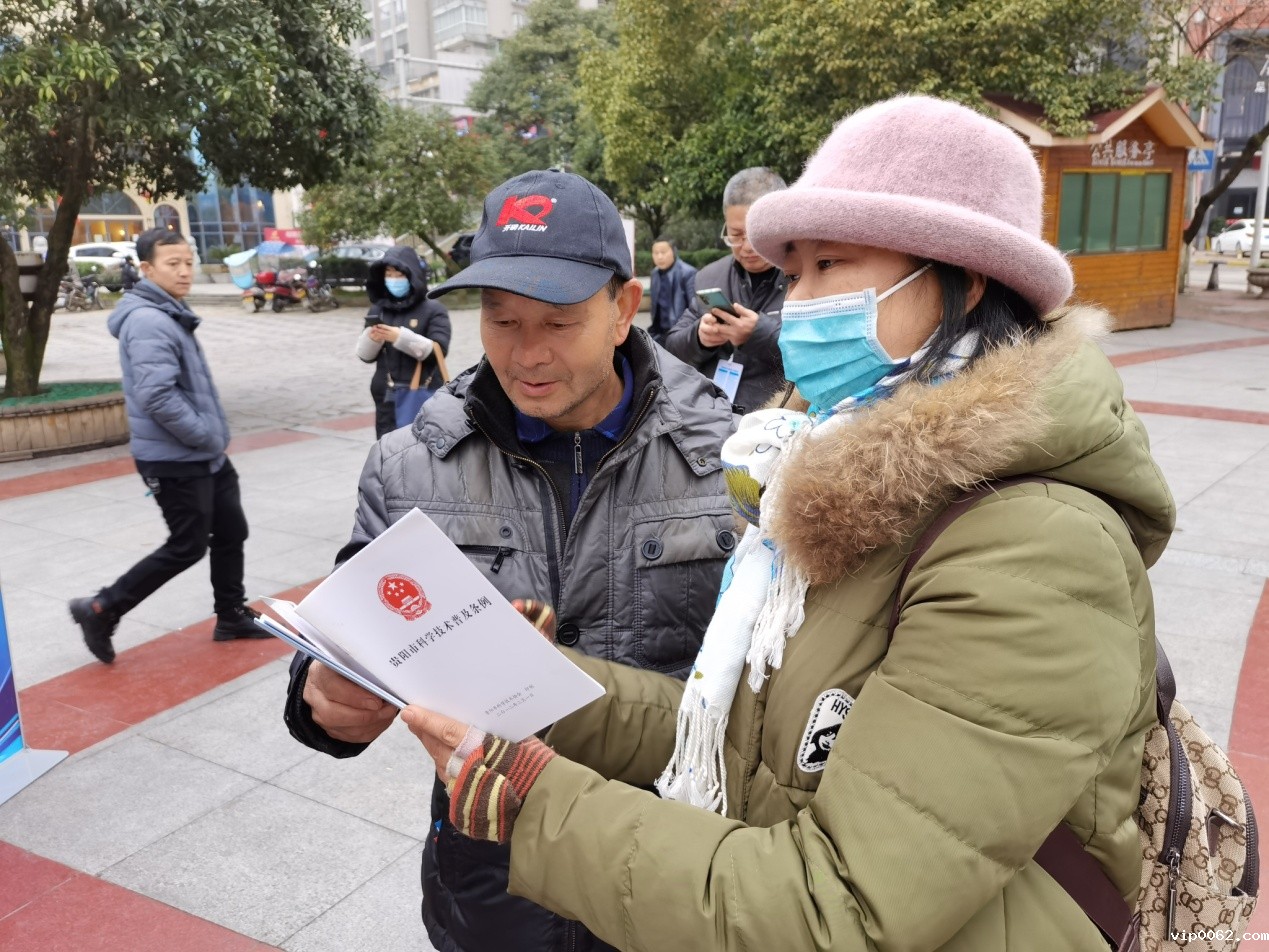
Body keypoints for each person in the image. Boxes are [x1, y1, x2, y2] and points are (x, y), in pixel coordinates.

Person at [400, 96, 1177, 951]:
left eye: (827, 265)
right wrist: (540, 686)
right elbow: (735, 741)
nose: (796, 303)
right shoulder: (834, 479)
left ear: (966, 278)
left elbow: (839, 909)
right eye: (792, 272)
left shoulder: (1031, 549)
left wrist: (534, 801)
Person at [283, 169, 738, 952]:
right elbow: (351, 633)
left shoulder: (731, 458)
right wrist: (320, 700)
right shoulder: (410, 466)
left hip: (673, 879)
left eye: (558, 322)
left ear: (623, 307)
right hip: (491, 883)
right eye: (500, 320)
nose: (526, 354)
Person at [69, 228, 266, 664]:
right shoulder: (148, 320)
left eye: (188, 262)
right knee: (187, 545)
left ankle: (231, 615)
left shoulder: (168, 310)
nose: (183, 272)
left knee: (231, 530)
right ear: (146, 268)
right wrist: (205, 435)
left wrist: (208, 441)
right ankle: (101, 608)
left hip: (203, 454)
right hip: (174, 457)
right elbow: (156, 396)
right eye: (172, 264)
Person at [663, 167, 789, 413]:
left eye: (756, 233)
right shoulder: (710, 277)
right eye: (736, 235)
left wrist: (757, 334)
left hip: (777, 419)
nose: (747, 247)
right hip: (714, 416)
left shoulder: (805, 276)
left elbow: (821, 355)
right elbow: (673, 349)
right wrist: (700, 338)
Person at [356, 245, 452, 438]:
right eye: (389, 274)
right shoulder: (378, 309)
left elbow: (439, 350)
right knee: (387, 448)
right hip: (386, 396)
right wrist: (372, 339)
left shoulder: (433, 309)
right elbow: (365, 356)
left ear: (411, 275)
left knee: (419, 447)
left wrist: (400, 337)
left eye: (399, 275)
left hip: (422, 393)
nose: (393, 279)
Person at [647, 237, 696, 344]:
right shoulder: (654, 274)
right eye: (656, 253)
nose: (659, 257)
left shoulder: (687, 273)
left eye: (663, 252)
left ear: (673, 251)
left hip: (680, 333)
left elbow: (694, 308)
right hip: (658, 333)